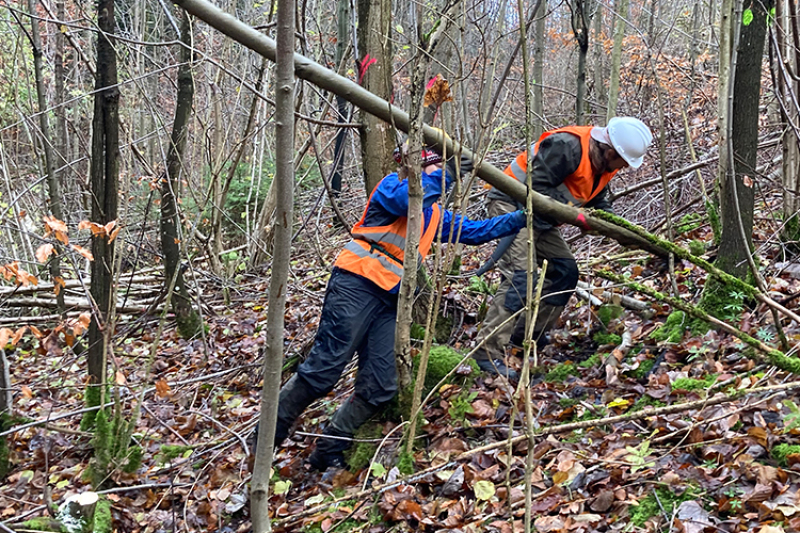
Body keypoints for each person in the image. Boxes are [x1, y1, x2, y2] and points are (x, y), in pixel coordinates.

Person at [257, 146, 527, 471]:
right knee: (323, 371)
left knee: (380, 387)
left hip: (389, 299)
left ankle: (330, 446)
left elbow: (475, 231)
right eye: (435, 169)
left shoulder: (435, 215)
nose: (439, 176)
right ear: (418, 168)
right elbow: (408, 201)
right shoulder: (390, 187)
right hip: (355, 284)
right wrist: (451, 172)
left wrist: (523, 217)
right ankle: (265, 442)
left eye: (441, 169)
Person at [472, 117, 653, 380]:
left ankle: (525, 333)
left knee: (565, 272)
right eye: (622, 163)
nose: (623, 168)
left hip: (543, 216)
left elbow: (598, 198)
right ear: (610, 151)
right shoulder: (567, 147)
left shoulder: (605, 165)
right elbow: (535, 188)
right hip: (512, 205)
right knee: (521, 278)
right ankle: (485, 353)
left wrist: (618, 228)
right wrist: (575, 216)